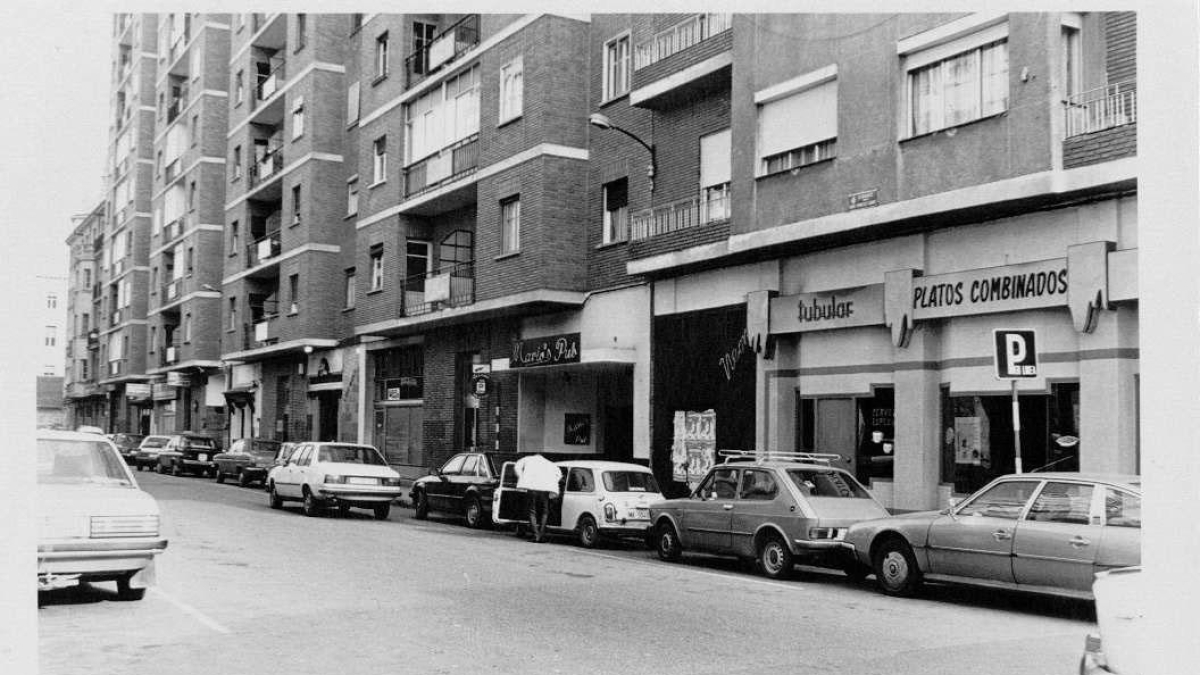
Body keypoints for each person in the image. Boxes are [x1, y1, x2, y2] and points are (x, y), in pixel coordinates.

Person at [514, 453, 562, 543]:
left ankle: (536, 535)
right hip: (545, 489)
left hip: (532, 488)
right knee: (545, 512)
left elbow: (517, 467)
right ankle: (541, 535)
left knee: (532, 511)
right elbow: (559, 474)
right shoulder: (549, 463)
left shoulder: (527, 459)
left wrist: (522, 478)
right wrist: (552, 482)